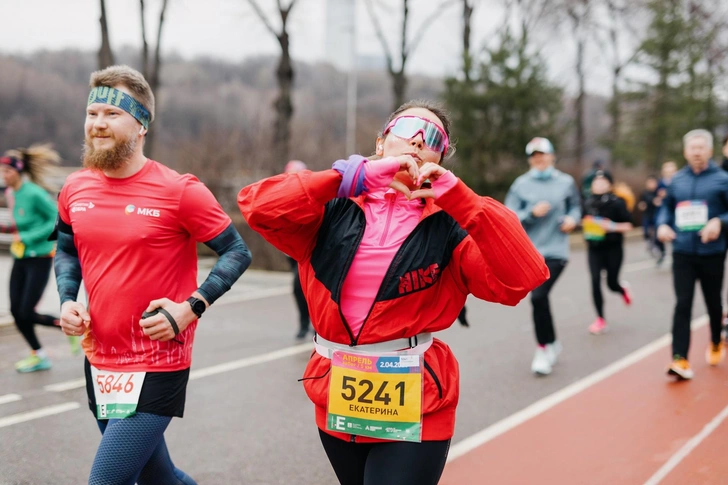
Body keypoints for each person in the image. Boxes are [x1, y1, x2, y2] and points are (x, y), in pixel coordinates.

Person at [238, 100, 548, 485]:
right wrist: (348, 178)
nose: (418, 140)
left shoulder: (450, 224)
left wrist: (461, 199)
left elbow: (524, 277)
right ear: (381, 142)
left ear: (440, 156)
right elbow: (257, 206)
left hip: (418, 400)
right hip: (338, 393)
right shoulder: (333, 206)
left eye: (433, 136)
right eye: (408, 128)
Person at [53, 65, 251, 485]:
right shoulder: (74, 188)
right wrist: (68, 299)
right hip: (101, 359)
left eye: (112, 114)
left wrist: (191, 308)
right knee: (159, 476)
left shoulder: (180, 190)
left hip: (158, 360)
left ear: (140, 124)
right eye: (93, 114)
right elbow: (68, 250)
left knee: (106, 480)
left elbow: (236, 251)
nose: (98, 124)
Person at [505, 137, 581, 376]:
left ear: (552, 156)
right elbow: (509, 216)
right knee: (541, 298)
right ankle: (551, 342)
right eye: (534, 156)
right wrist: (531, 213)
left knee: (538, 297)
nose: (539, 159)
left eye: (543, 154)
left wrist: (572, 220)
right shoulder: (520, 185)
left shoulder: (566, 182)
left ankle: (542, 349)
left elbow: (576, 207)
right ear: (530, 159)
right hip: (529, 252)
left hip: (556, 251)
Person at [0, 145, 80, 372]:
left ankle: (64, 328)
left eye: (7, 171)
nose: (4, 175)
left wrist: (27, 236)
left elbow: (54, 217)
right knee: (16, 311)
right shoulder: (10, 193)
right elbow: (21, 224)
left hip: (41, 256)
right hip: (21, 255)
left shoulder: (33, 192)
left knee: (26, 311)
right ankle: (39, 354)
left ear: (18, 171)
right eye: (1, 171)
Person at [656, 129, 728, 380]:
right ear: (685, 151)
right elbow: (666, 208)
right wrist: (663, 224)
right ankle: (680, 359)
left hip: (712, 251)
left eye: (701, 148)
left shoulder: (722, 179)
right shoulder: (676, 180)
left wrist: (719, 221)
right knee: (682, 304)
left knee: (713, 302)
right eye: (692, 148)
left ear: (709, 151)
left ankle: (717, 340)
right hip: (683, 251)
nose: (696, 152)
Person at [581, 170, 634, 334]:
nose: (599, 185)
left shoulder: (617, 202)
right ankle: (600, 319)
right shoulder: (588, 202)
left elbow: (629, 225)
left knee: (611, 283)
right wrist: (587, 226)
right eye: (596, 182)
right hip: (594, 249)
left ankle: (621, 289)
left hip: (613, 248)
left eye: (603, 182)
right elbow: (583, 221)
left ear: (610, 184)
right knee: (595, 280)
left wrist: (610, 226)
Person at [284, 160, 313, 340]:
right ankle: (304, 323)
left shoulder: (309, 196)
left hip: (311, 252)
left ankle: (314, 324)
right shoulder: (285, 197)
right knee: (299, 289)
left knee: (303, 287)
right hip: (292, 253)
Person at [638, 175, 660, 256]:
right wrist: (641, 206)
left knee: (656, 231)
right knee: (646, 230)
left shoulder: (658, 192)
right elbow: (641, 204)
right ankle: (648, 243)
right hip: (647, 214)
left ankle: (656, 246)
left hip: (656, 215)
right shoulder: (644, 193)